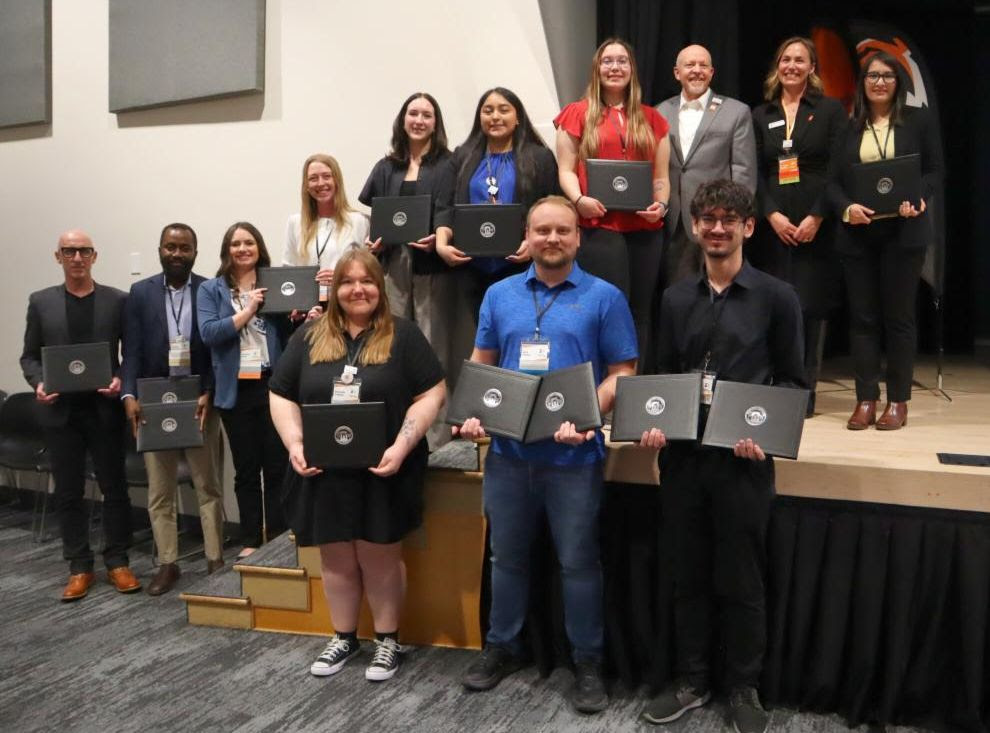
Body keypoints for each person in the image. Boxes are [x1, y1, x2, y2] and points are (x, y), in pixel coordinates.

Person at [457, 196, 638, 714]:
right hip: (509, 455)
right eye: (542, 231)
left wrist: (585, 417)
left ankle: (587, 661)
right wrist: (473, 413)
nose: (552, 239)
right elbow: (482, 363)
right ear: (527, 236)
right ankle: (502, 647)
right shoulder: (499, 294)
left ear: (578, 237)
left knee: (579, 563)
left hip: (574, 458)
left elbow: (623, 371)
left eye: (562, 231)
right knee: (506, 557)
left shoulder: (605, 298)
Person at [639, 180, 804, 733]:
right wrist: (651, 424)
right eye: (706, 219)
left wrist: (768, 436)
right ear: (694, 228)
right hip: (683, 460)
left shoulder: (778, 298)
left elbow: (792, 385)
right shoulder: (674, 298)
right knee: (688, 574)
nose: (715, 228)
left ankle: (744, 687)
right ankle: (691, 680)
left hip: (744, 461)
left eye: (727, 220)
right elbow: (659, 377)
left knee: (742, 579)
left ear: (748, 228)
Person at [269, 248, 445, 682]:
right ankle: (344, 637)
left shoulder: (403, 336)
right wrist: (294, 442)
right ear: (335, 290)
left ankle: (387, 641)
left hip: (383, 469)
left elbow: (432, 393)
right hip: (323, 470)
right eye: (347, 282)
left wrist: (402, 445)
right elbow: (281, 393)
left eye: (366, 280)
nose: (357, 289)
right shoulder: (307, 337)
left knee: (380, 555)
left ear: (379, 287)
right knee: (335, 558)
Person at [20, 230, 141, 601]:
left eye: (83, 251)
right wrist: (39, 383)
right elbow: (29, 357)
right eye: (69, 251)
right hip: (61, 413)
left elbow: (131, 353)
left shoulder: (117, 301)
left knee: (114, 487)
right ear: (58, 257)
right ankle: (79, 566)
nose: (76, 257)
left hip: (104, 410)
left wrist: (122, 377)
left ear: (94, 256)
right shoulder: (41, 302)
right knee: (69, 491)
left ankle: (118, 561)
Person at [828, 52, 943, 431]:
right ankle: (865, 399)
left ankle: (897, 401)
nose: (879, 82)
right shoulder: (848, 126)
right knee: (862, 319)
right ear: (862, 83)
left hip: (904, 233)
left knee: (899, 319)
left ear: (898, 83)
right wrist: (847, 209)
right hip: (858, 235)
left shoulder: (918, 120)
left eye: (887, 76)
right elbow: (831, 183)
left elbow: (933, 171)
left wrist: (921, 198)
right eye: (872, 76)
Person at [120, 223, 225, 594]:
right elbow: (130, 349)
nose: (176, 253)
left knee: (207, 484)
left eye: (184, 247)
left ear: (195, 252)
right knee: (160, 490)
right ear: (160, 249)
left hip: (198, 398)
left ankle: (215, 558)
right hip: (153, 400)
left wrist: (210, 391)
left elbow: (217, 347)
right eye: (170, 247)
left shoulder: (210, 289)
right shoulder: (140, 293)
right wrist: (128, 395)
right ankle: (168, 563)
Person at [555, 37, 670, 361]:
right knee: (603, 309)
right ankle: (601, 391)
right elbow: (565, 170)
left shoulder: (653, 119)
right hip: (598, 225)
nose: (615, 67)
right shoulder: (576, 114)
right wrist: (579, 201)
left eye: (622, 61)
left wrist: (660, 206)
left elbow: (661, 178)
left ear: (632, 69)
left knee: (640, 312)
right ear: (597, 69)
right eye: (608, 61)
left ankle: (636, 391)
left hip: (645, 229)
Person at [751, 37, 846, 416]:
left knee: (809, 309)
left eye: (800, 60)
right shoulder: (762, 114)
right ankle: (776, 385)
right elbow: (756, 171)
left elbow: (839, 167)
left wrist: (817, 216)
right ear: (778, 66)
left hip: (815, 226)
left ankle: (803, 392)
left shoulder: (829, 111)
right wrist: (771, 214)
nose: (792, 65)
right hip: (775, 227)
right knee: (774, 306)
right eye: (786, 59)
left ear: (812, 68)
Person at [359, 92, 455, 449]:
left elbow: (449, 210)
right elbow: (377, 214)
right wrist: (375, 243)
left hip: (432, 265)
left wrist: (439, 240)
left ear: (436, 122)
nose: (419, 120)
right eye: (413, 113)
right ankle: (395, 428)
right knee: (390, 342)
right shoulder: (387, 166)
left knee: (433, 347)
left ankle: (436, 436)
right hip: (392, 266)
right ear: (403, 119)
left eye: (426, 115)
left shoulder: (448, 163)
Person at [197, 222, 288, 558]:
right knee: (246, 469)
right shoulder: (212, 290)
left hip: (272, 383)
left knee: (277, 465)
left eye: (249, 242)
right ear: (227, 250)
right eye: (235, 243)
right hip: (235, 389)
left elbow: (287, 331)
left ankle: (279, 535)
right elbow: (209, 333)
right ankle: (251, 538)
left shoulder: (273, 283)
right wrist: (248, 309)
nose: (242, 249)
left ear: (258, 247)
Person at [435, 86, 560, 319]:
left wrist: (534, 244)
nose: (495, 117)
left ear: (518, 118)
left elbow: (554, 207)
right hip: (471, 267)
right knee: (484, 334)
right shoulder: (462, 156)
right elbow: (445, 206)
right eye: (488, 111)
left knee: (520, 332)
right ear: (479, 118)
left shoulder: (540, 158)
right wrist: (442, 245)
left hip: (520, 265)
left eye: (504, 110)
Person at [656, 44, 757, 290]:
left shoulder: (736, 111)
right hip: (672, 220)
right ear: (677, 72)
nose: (697, 71)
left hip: (717, 221)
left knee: (719, 290)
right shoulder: (659, 112)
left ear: (712, 72)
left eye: (703, 65)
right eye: (690, 65)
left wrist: (734, 219)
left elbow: (744, 171)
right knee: (677, 293)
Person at [282, 153, 369, 311]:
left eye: (326, 176)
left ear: (337, 181)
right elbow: (289, 269)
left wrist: (341, 275)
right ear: (306, 186)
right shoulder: (295, 222)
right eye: (313, 178)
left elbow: (368, 270)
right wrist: (293, 306)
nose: (320, 183)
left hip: (349, 305)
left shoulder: (359, 221)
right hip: (309, 308)